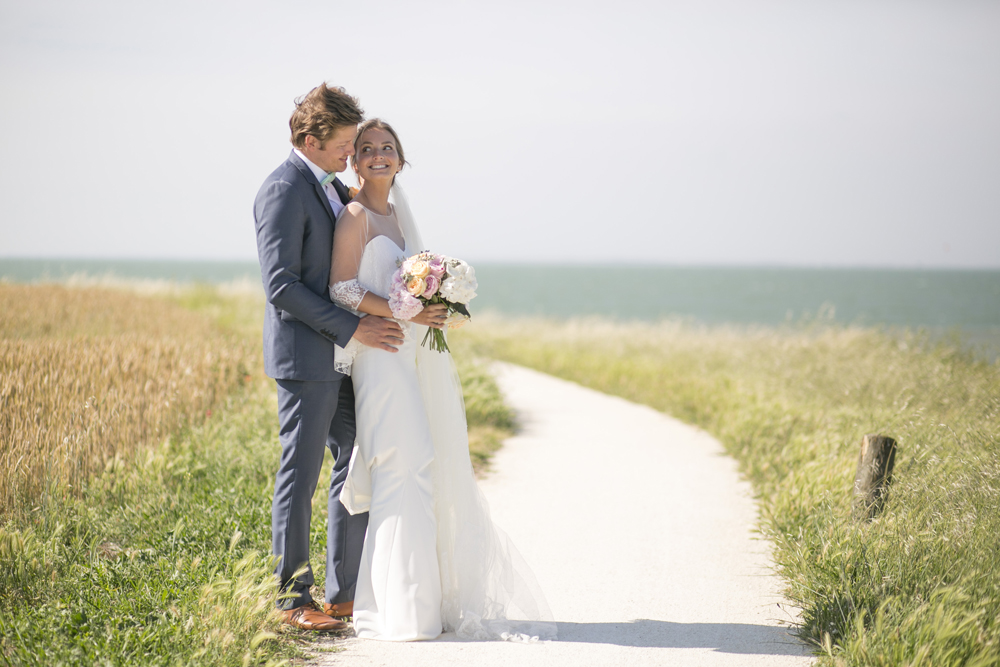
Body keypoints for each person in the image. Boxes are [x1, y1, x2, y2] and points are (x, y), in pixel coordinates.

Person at [329, 119, 557, 642]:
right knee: (401, 465)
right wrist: (404, 312)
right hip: (379, 352)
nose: (378, 156)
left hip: (404, 350)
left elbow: (401, 290)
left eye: (388, 148)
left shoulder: (397, 218)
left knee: (418, 464)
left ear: (401, 161)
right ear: (354, 161)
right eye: (368, 150)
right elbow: (340, 288)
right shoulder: (356, 216)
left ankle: (409, 604)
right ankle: (393, 611)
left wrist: (433, 306)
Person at [252, 85, 403, 632]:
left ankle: (342, 594)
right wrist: (354, 325)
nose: (352, 152)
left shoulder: (333, 187)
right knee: (300, 473)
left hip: (344, 357)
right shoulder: (283, 189)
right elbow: (282, 285)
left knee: (355, 458)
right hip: (306, 356)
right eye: (344, 144)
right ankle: (293, 602)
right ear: (311, 139)